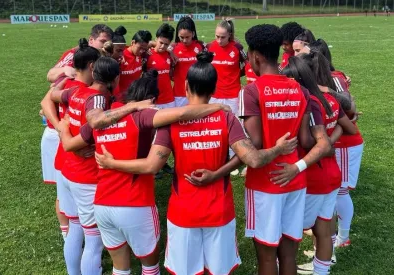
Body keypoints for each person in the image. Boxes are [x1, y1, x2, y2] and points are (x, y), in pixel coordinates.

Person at [95, 52, 299, 275]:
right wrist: (278, 149)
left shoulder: (172, 121)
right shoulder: (226, 117)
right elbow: (253, 158)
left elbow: (152, 165)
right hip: (218, 211)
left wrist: (113, 164)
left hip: (183, 212)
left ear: (185, 86)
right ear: (213, 90)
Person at [239, 24, 332, 275]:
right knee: (288, 254)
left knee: (267, 258)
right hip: (295, 179)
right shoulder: (300, 90)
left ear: (255, 56)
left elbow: (255, 144)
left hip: (265, 183)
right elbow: (304, 139)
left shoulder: (250, 91)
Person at [285, 53, 357, 275]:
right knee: (324, 229)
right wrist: (330, 140)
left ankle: (282, 266)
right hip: (332, 173)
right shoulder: (330, 99)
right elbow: (349, 124)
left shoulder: (309, 102)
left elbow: (308, 141)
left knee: (292, 230)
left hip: (313, 175)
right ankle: (321, 272)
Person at [41, 38, 101, 275]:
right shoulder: (90, 96)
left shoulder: (67, 86)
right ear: (92, 66)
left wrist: (61, 129)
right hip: (83, 171)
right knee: (93, 238)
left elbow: (47, 100)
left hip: (64, 164)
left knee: (75, 227)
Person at [309, 39, 364, 248]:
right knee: (334, 192)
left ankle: (342, 237)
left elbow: (349, 106)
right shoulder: (317, 82)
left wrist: (329, 91)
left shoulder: (335, 78)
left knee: (340, 191)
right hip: (337, 142)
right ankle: (329, 238)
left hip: (346, 143)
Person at [47, 24, 114, 82]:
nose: (106, 46)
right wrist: (66, 69)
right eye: (103, 41)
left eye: (109, 43)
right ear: (91, 40)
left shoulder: (111, 55)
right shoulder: (76, 54)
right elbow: (50, 75)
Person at [206, 18, 246, 115]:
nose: (219, 40)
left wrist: (237, 74)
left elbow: (248, 64)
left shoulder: (237, 48)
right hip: (214, 95)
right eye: (217, 36)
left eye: (223, 37)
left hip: (233, 96)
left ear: (229, 35)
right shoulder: (209, 47)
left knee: (233, 125)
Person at [170, 16, 206, 107]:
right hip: (179, 94)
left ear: (193, 33)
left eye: (187, 37)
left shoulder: (201, 46)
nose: (185, 40)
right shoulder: (172, 48)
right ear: (177, 34)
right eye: (182, 37)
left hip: (197, 94)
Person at [146, 23, 176, 109]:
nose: (162, 46)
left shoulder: (170, 55)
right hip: (152, 100)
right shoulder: (147, 54)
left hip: (169, 100)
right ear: (156, 39)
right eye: (161, 43)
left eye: (166, 44)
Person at [117, 30, 152, 101]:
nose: (141, 51)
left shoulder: (142, 55)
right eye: (140, 48)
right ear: (133, 42)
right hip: (121, 99)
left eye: (144, 49)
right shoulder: (120, 56)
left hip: (135, 98)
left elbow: (154, 43)